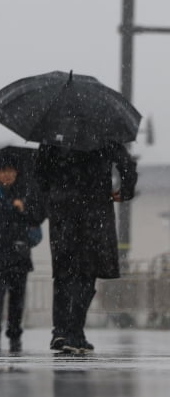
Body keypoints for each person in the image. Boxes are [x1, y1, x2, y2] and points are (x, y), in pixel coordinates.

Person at [34, 140, 137, 354]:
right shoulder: (104, 132)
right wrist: (125, 191)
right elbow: (127, 164)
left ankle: (60, 330)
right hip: (95, 209)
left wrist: (53, 191)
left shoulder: (53, 134)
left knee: (64, 271)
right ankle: (75, 331)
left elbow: (39, 172)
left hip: (62, 210)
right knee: (87, 272)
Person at [0, 160, 42, 353]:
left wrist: (24, 211)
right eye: (2, 171)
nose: (7, 175)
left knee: (17, 297)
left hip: (19, 255)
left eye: (11, 170)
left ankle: (14, 333)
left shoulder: (25, 195)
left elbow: (35, 223)